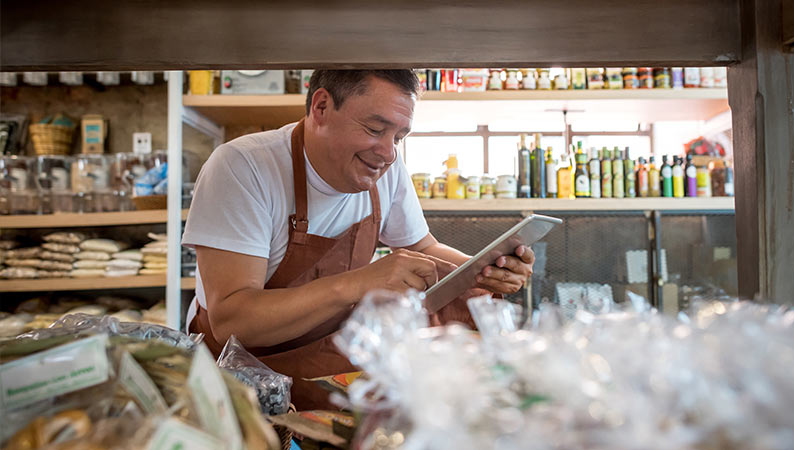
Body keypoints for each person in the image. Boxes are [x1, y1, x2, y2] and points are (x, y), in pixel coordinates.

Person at [182, 70, 534, 409]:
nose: (389, 153)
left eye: (398, 137)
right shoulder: (245, 167)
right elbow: (232, 321)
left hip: (326, 368)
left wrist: (485, 268)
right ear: (321, 108)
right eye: (375, 129)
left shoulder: (387, 171)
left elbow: (423, 248)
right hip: (241, 381)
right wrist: (358, 283)